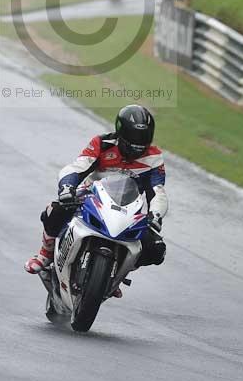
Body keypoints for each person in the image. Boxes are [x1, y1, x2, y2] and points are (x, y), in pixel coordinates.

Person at [25, 105, 168, 292]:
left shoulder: (154, 157)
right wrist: (67, 187)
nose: (137, 145)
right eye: (133, 139)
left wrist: (155, 215)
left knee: (156, 249)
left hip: (128, 206)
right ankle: (45, 254)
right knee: (56, 209)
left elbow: (157, 191)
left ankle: (117, 272)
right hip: (92, 195)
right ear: (121, 132)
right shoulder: (102, 143)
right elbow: (77, 167)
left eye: (143, 139)